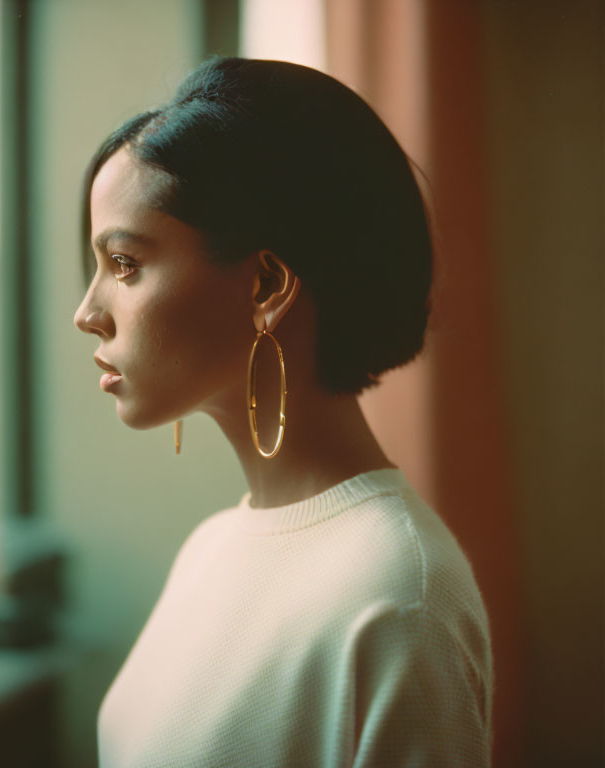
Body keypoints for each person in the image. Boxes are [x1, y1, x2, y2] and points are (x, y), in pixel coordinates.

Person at [74, 56, 493, 767]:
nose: (87, 314)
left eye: (125, 265)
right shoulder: (208, 548)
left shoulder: (399, 600)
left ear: (267, 282)